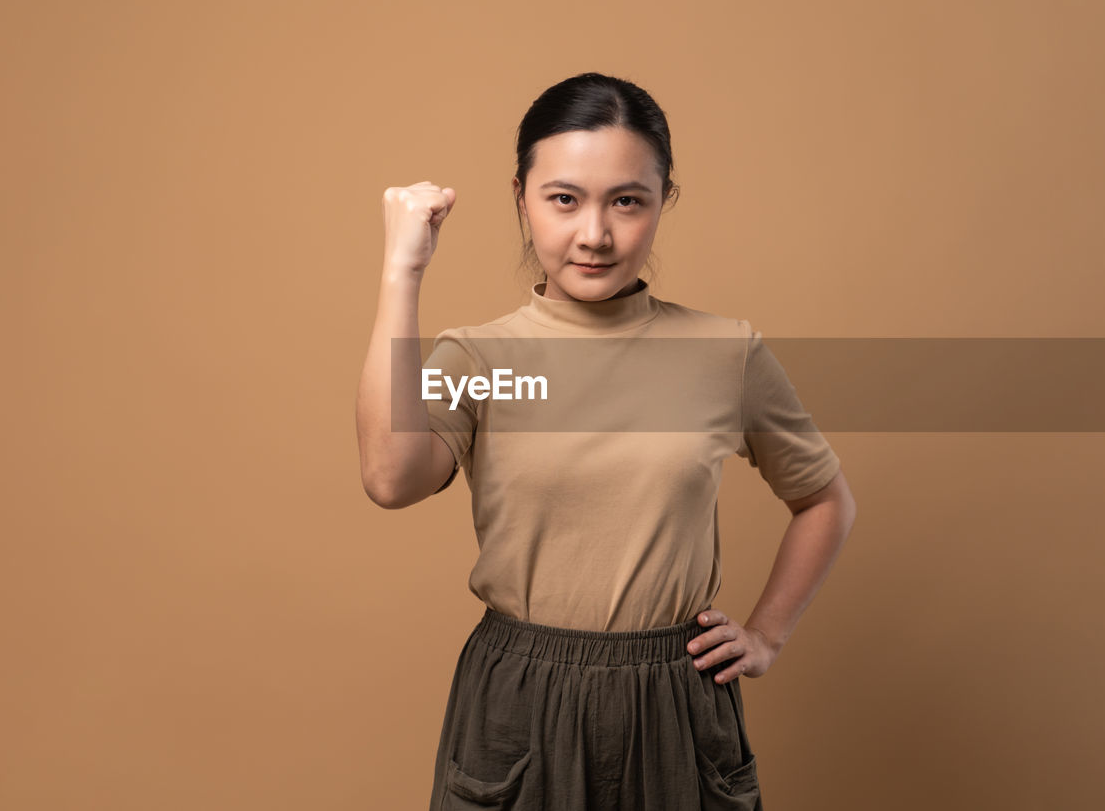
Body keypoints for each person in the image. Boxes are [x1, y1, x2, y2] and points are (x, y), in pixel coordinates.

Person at [356, 72, 856, 810]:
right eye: (564, 199)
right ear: (522, 198)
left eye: (627, 200)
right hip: (520, 695)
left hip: (676, 695)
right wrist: (403, 272)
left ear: (662, 204)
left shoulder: (725, 354)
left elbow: (824, 500)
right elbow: (391, 478)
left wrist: (767, 635)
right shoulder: (478, 361)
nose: (595, 233)